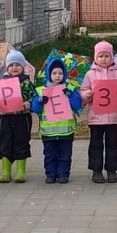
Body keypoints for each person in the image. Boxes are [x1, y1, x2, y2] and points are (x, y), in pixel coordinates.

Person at [80, 40, 117, 183]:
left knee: (112, 144)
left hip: (113, 116)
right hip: (96, 116)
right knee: (95, 144)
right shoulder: (90, 74)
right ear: (95, 57)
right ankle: (96, 171)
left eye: (107, 56)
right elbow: (83, 91)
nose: (104, 59)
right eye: (101, 56)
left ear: (112, 57)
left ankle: (112, 170)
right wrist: (87, 94)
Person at [32, 55, 82, 183]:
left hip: (66, 131)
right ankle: (50, 174)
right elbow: (35, 109)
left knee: (65, 155)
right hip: (48, 131)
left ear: (64, 74)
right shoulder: (41, 90)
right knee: (49, 155)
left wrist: (70, 96)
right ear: (49, 74)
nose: (57, 75)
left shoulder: (69, 88)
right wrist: (39, 101)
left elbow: (77, 106)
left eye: (60, 73)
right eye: (54, 73)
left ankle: (63, 174)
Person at [0, 50, 36, 183]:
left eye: (17, 65)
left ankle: (20, 171)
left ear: (23, 67)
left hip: (22, 118)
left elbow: (34, 97)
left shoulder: (27, 83)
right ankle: (6, 171)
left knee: (22, 141)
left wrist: (28, 104)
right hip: (6, 118)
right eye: (11, 65)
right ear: (7, 67)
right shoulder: (1, 83)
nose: (14, 68)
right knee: (4, 142)